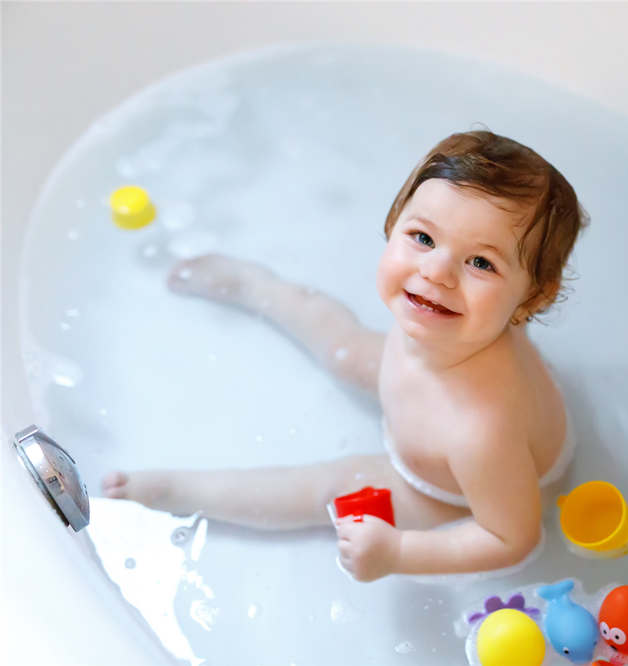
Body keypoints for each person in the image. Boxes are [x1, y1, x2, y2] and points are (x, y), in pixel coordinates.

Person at [102, 130, 588, 581]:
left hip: (445, 491)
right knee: (345, 346)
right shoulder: (458, 323)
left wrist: (399, 553)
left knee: (328, 487)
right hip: (421, 377)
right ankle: (260, 287)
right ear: (393, 223)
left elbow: (511, 538)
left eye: (481, 262)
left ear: (532, 300)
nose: (436, 271)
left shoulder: (479, 433)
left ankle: (182, 494)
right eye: (422, 237)